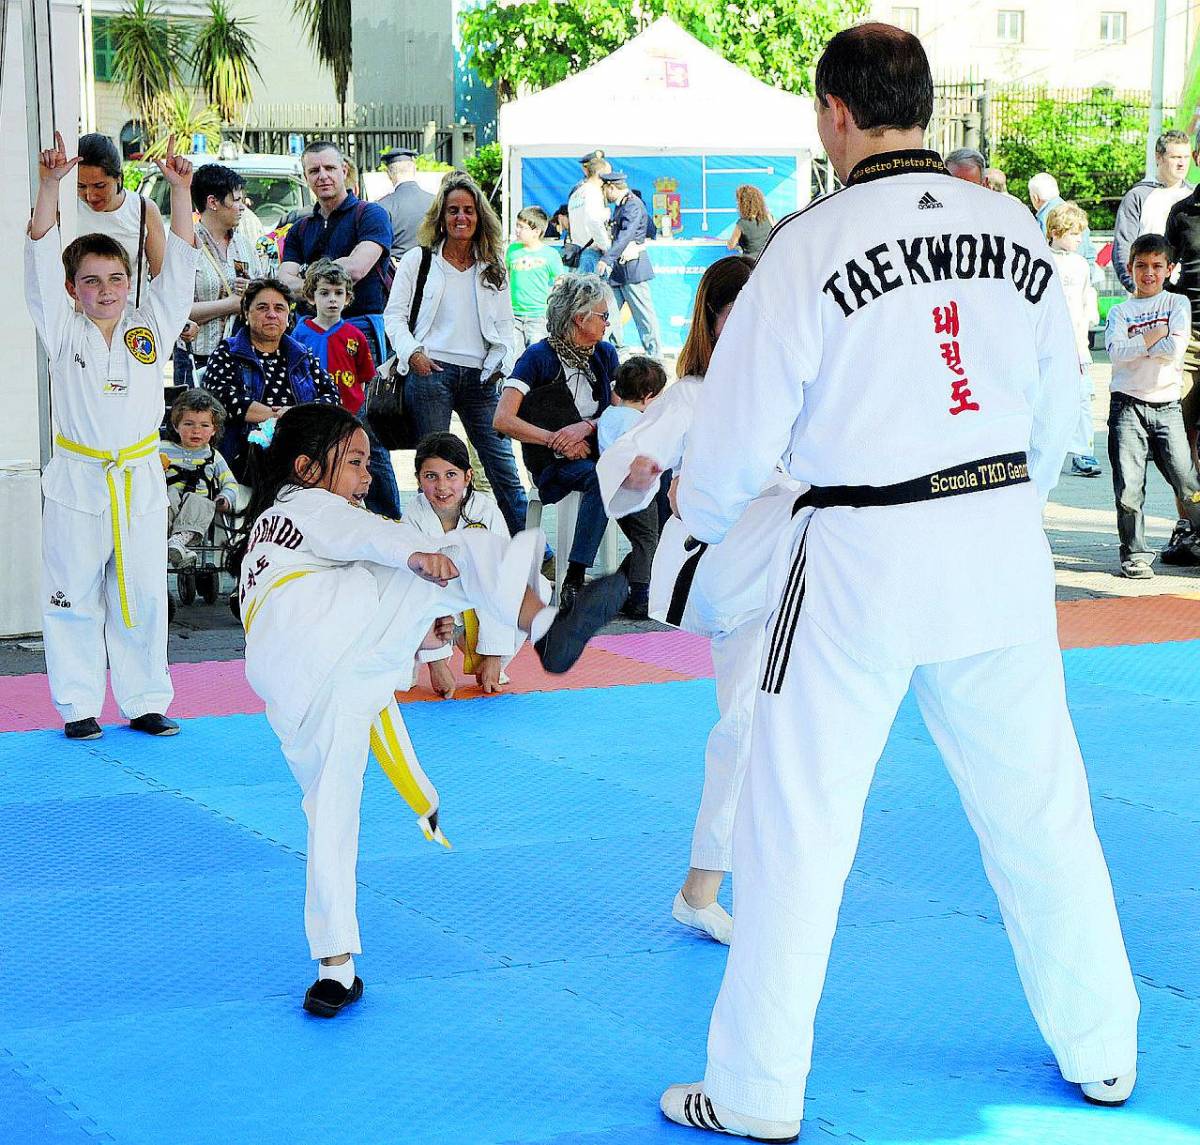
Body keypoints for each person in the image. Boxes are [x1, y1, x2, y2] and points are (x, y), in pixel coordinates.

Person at [659, 24, 1140, 1139]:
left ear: (834, 112)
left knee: (796, 825)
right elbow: (1062, 412)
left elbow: (731, 447)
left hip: (861, 558)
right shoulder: (1014, 227)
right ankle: (1106, 1046)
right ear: (922, 106)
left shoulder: (808, 244)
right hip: (995, 544)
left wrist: (695, 520)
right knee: (1042, 806)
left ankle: (758, 1089)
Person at [228, 402, 628, 1017]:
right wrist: (416, 556)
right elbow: (366, 536)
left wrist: (422, 629)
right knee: (463, 547)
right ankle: (544, 623)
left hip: (299, 683)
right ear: (308, 468)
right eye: (356, 462)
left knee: (330, 813)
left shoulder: (273, 528)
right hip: (324, 635)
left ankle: (335, 967)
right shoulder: (307, 506)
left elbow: (360, 564)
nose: (366, 476)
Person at [598, 254, 781, 945]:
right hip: (732, 577)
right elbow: (634, 456)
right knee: (744, 723)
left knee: (779, 729)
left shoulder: (793, 383)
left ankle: (748, 875)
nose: (748, 326)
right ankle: (701, 888)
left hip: (799, 569)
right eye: (734, 313)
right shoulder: (693, 394)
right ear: (711, 319)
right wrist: (644, 469)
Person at [27, 132, 198, 741]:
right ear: (73, 288)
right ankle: (76, 705)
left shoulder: (149, 326)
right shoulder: (62, 331)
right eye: (91, 280)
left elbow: (177, 268)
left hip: (138, 476)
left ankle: (146, 698)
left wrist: (180, 191)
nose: (105, 290)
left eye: (116, 279)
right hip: (78, 478)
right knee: (73, 592)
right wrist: (50, 186)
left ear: (130, 282)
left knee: (144, 592)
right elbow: (41, 257)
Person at [383, 171, 530, 536]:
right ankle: (432, 543)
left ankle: (531, 550)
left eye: (468, 210)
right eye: (453, 211)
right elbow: (394, 316)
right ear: (441, 217)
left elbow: (504, 324)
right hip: (431, 372)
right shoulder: (419, 260)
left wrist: (500, 364)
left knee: (503, 469)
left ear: (479, 216)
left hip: (481, 378)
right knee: (435, 472)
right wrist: (412, 353)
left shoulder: (492, 263)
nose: (461, 217)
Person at [279, 139, 401, 519]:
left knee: (364, 434)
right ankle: (327, 515)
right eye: (314, 170)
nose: (323, 176)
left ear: (344, 169)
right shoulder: (300, 228)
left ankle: (387, 518)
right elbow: (284, 281)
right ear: (306, 176)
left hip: (359, 331)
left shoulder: (371, 215)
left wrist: (310, 281)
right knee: (315, 431)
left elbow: (357, 269)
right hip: (308, 334)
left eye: (329, 168)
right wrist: (320, 283)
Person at [493, 273, 629, 609]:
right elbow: (503, 419)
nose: (607, 323)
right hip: (551, 463)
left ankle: (640, 579)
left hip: (592, 452)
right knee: (603, 478)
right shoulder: (538, 357)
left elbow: (618, 412)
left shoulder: (605, 355)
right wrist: (556, 439)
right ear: (579, 318)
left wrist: (585, 427)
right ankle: (575, 578)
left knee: (645, 475)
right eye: (603, 316)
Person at [1104, 233, 1200, 579]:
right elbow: (1115, 354)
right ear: (1129, 269)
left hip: (1167, 407)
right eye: (1141, 265)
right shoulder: (1119, 311)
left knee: (1189, 484)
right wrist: (1152, 336)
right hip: (1127, 407)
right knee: (1129, 488)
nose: (1149, 273)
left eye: (1157, 266)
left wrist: (1139, 342)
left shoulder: (1177, 305)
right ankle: (1134, 554)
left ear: (1169, 269)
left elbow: (1174, 349)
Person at [404, 431, 519, 695]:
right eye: (431, 476)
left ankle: (485, 656)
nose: (442, 486)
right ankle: (432, 659)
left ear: (468, 476)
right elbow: (413, 587)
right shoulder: (414, 514)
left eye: (451, 475)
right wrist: (436, 662)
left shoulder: (485, 511)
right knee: (404, 588)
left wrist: (493, 655)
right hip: (433, 607)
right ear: (418, 480)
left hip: (477, 601)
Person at [202, 278, 341, 479]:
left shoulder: (302, 355)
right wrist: (275, 416)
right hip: (244, 452)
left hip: (301, 448)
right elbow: (219, 398)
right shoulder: (228, 351)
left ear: (288, 316)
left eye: (279, 308)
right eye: (262, 307)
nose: (272, 315)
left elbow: (331, 397)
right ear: (246, 314)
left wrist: (294, 414)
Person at [176, 162, 264, 388]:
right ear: (212, 202)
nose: (242, 206)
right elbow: (176, 311)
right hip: (196, 357)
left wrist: (252, 294)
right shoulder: (186, 246)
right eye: (235, 200)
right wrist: (231, 304)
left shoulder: (245, 246)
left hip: (242, 356)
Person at [595, 356, 667, 619]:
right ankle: (639, 595)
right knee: (648, 540)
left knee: (641, 541)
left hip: (614, 490)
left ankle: (619, 588)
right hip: (637, 491)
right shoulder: (638, 422)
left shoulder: (609, 415)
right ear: (649, 396)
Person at [75, 132, 165, 311]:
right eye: (81, 186)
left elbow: (162, 281)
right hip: (80, 327)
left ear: (118, 177)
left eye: (100, 186)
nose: (90, 195)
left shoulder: (143, 210)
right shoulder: (67, 210)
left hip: (130, 327)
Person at [1046, 202, 1102, 477]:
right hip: (1051, 343)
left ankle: (1083, 452)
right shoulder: (1044, 259)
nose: (1080, 240)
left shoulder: (1080, 264)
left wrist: (1086, 331)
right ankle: (1048, 447)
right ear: (1056, 231)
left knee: (1082, 397)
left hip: (1078, 343)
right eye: (1074, 234)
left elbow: (1084, 298)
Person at [161, 388, 238, 568]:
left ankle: (179, 541)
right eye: (189, 424)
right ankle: (173, 543)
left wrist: (225, 497)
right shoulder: (162, 449)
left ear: (213, 430)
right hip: (167, 507)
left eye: (204, 425)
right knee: (169, 494)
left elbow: (230, 483)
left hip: (198, 509)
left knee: (201, 501)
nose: (196, 431)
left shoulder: (213, 456)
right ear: (175, 425)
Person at [1113, 130, 1194, 294]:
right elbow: (1123, 245)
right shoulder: (1138, 196)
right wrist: (1134, 286)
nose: (1182, 163)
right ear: (1159, 157)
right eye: (1175, 157)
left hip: (1188, 291)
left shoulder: (1194, 196)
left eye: (1186, 157)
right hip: (1148, 291)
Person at [292, 260, 376, 417]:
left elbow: (363, 378)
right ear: (311, 297)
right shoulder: (299, 334)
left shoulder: (356, 336)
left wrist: (355, 407)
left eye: (338, 293)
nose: (332, 299)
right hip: (310, 411)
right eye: (324, 293)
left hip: (347, 415)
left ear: (347, 298)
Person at [598, 171, 662, 359]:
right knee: (608, 315)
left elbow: (626, 236)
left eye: (605, 189)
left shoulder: (632, 204)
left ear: (611, 187)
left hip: (632, 269)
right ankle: (614, 354)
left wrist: (607, 258)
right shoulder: (622, 205)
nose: (604, 194)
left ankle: (655, 358)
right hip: (619, 271)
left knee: (644, 317)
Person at [507, 206, 565, 351]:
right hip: (514, 316)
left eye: (522, 227)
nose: (517, 230)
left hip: (538, 317)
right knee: (513, 358)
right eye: (517, 226)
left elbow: (561, 281)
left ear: (536, 231)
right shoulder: (512, 250)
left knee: (536, 357)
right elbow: (504, 277)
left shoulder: (550, 254)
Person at [1029, 171, 1100, 281]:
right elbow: (1090, 252)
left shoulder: (1046, 218)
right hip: (1082, 279)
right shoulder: (1074, 213)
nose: (1079, 239)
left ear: (1035, 197)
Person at [376, 147, 434, 261]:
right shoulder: (435, 201)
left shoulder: (382, 206)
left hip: (397, 272)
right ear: (414, 169)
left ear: (389, 173)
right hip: (432, 270)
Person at [567, 151, 612, 275]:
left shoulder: (577, 193)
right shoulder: (594, 192)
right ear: (600, 173)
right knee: (595, 292)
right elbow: (594, 221)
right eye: (607, 175)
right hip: (592, 251)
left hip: (579, 249)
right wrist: (606, 247)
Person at [725, 185, 774, 259]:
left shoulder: (742, 223)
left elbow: (731, 246)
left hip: (750, 263)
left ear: (743, 204)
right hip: (767, 259)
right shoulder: (769, 217)